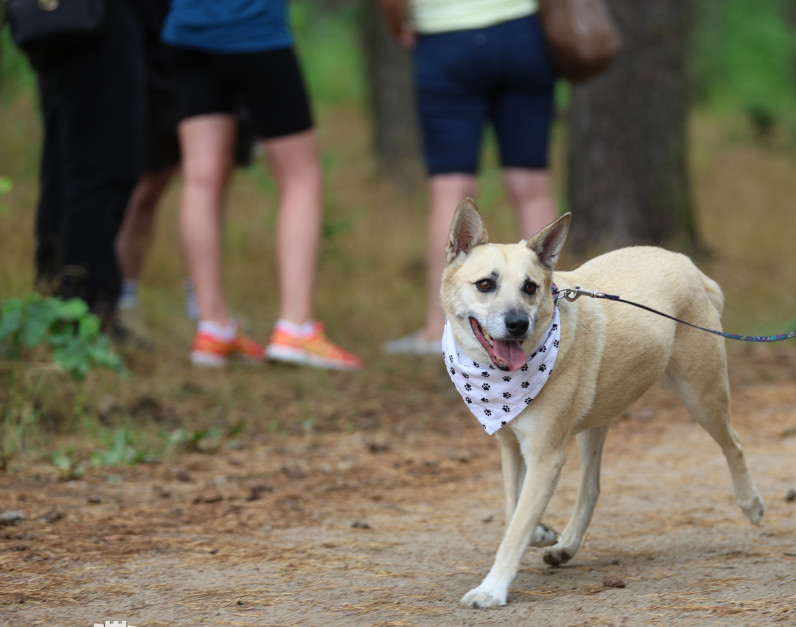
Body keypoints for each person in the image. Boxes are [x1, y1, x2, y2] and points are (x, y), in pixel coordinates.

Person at [162, 0, 364, 370]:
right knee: (301, 177)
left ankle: (213, 328)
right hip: (256, 35)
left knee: (200, 179)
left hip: (187, 32)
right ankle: (295, 327)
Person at [379, 0, 559, 356]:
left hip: (446, 37)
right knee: (532, 186)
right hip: (521, 32)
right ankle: (553, 324)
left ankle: (438, 330)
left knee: (451, 189)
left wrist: (397, 24)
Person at [22, 0, 151, 333]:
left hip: (60, 20)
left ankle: (54, 296)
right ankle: (86, 308)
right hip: (98, 25)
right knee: (100, 167)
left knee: (64, 162)